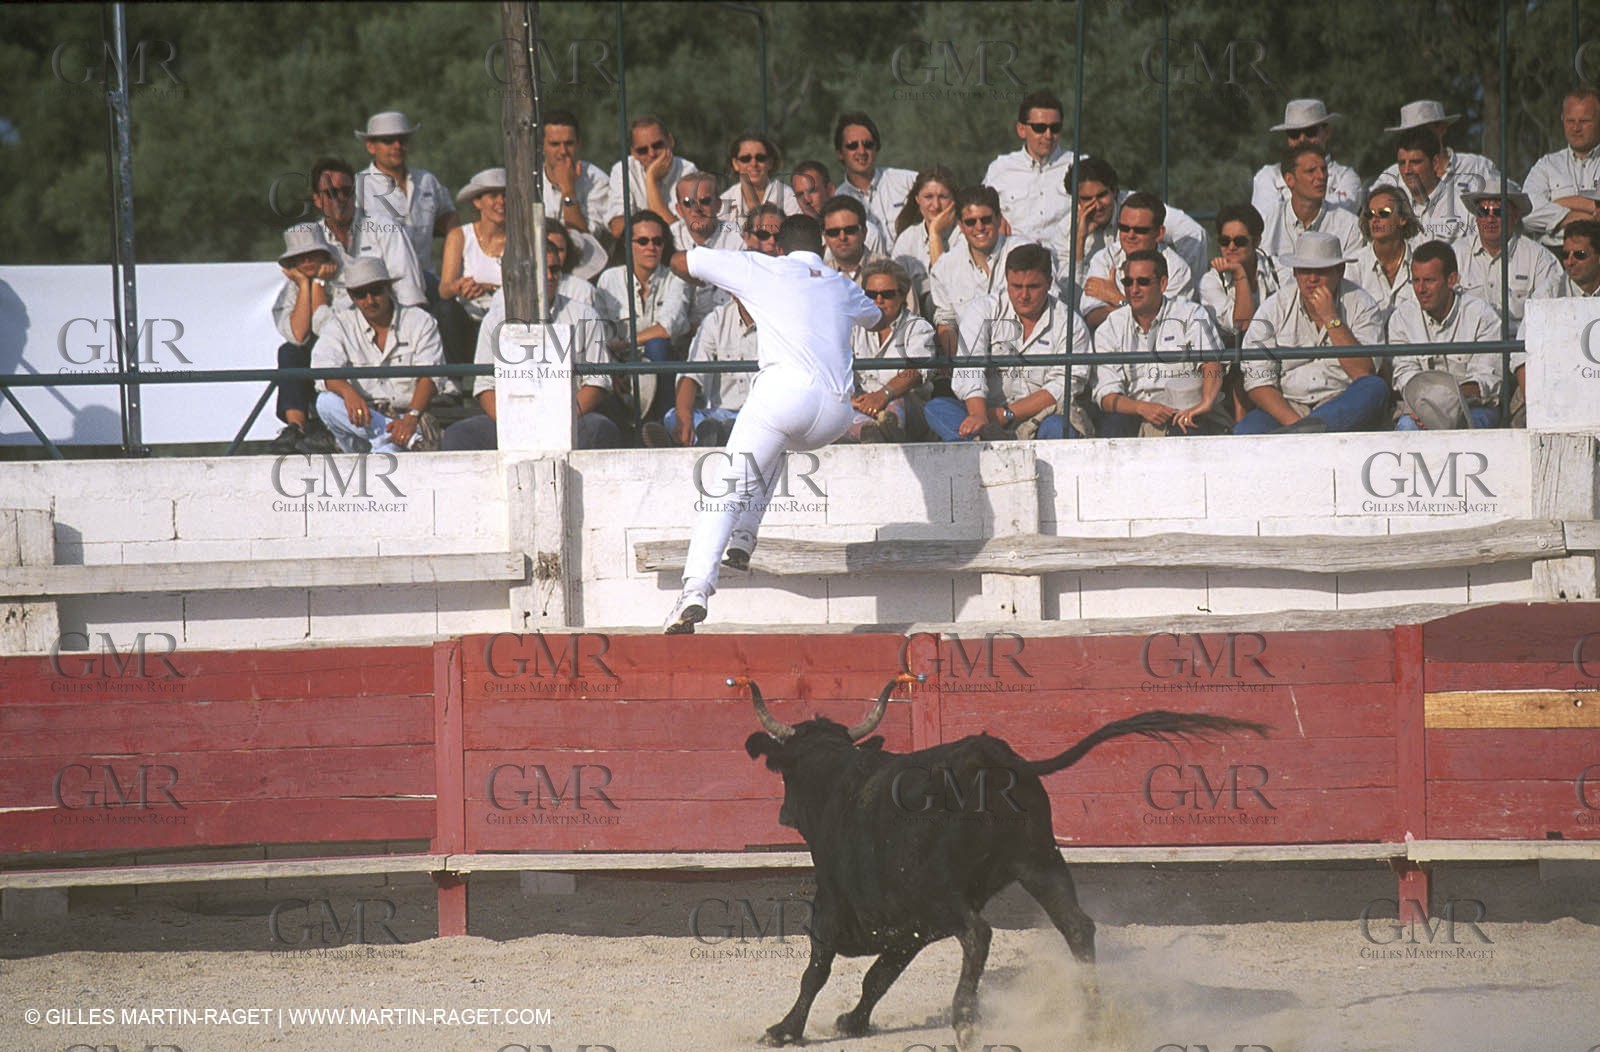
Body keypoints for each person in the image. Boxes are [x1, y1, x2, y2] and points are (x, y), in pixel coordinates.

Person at [660, 214, 885, 634]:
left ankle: (694, 591)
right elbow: (876, 318)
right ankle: (745, 537)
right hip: (835, 414)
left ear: (778, 246)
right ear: (821, 246)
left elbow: (681, 261)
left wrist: (710, 272)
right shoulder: (840, 283)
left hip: (784, 396)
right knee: (778, 443)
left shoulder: (760, 266)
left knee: (724, 492)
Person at [440, 234, 621, 452]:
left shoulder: (585, 315)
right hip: (511, 421)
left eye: (554, 269)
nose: (550, 276)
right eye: (542, 270)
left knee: (600, 428)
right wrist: (513, 423)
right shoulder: (495, 319)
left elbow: (597, 383)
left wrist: (559, 419)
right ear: (524, 272)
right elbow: (486, 386)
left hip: (570, 419)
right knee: (459, 435)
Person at [925, 244, 1090, 442]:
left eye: (1033, 287)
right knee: (937, 408)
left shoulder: (1070, 324)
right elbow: (969, 369)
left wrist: (1004, 414)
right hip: (985, 413)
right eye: (1016, 286)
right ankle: (982, 440)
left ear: (1049, 283)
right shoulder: (983, 310)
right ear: (1006, 281)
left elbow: (1063, 387)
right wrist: (978, 415)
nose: (1024, 296)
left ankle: (979, 445)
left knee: (1058, 427)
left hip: (1040, 417)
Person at [1235, 231, 1388, 434]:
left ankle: (1306, 433)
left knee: (1374, 388)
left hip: (1341, 401)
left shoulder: (1362, 304)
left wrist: (1331, 318)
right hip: (1289, 404)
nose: (1312, 279)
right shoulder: (1273, 308)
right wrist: (1299, 426)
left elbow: (1363, 372)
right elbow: (1258, 381)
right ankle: (1311, 432)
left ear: (1340, 271)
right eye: (1305, 271)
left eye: (1321, 271)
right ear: (1295, 273)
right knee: (1246, 431)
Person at [312, 258, 443, 453]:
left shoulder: (420, 321)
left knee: (385, 455)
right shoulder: (339, 324)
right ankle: (388, 435)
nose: (370, 300)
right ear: (351, 296)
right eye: (360, 294)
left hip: (408, 418)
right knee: (325, 402)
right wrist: (348, 392)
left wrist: (411, 417)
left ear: (388, 288)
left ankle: (386, 439)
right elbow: (324, 370)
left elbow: (431, 376)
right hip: (360, 420)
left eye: (375, 291)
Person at [1093, 251, 1229, 437]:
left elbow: (1211, 364)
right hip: (1134, 412)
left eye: (1143, 282)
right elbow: (1106, 396)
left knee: (1187, 428)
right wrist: (1141, 408)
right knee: (1113, 426)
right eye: (1128, 282)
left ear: (1163, 284)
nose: (1134, 289)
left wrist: (1205, 403)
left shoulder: (1190, 313)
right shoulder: (1110, 326)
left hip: (1185, 411)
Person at [1387, 241, 1503, 430]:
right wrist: (1426, 409)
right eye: (1415, 281)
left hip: (1472, 407)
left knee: (1474, 426)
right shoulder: (1401, 318)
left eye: (1429, 280)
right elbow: (1404, 374)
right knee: (1407, 427)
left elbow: (1486, 378)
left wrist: (1444, 403)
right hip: (1420, 407)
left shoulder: (1481, 315)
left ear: (1451, 280)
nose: (1421, 289)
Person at [1051, 159, 1211, 292]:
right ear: (1076, 200)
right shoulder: (1065, 229)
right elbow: (1068, 293)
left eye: (1102, 195)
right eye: (1087, 199)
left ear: (1114, 191)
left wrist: (1187, 284)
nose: (1097, 206)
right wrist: (1079, 241)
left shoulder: (1136, 207)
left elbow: (1193, 233)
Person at [594, 210, 690, 421]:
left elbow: (666, 329)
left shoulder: (675, 278)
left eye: (657, 241)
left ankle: (663, 423)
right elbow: (600, 335)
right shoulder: (609, 280)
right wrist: (612, 369)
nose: (651, 247)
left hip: (664, 367)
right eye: (643, 241)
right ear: (628, 244)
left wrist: (626, 343)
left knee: (657, 345)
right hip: (621, 368)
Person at [353, 111, 457, 298]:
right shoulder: (358, 187)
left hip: (429, 282)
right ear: (370, 146)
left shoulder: (427, 180)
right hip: (383, 288)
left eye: (403, 140)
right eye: (388, 141)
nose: (397, 146)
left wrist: (452, 265)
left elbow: (450, 219)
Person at [310, 157, 426, 310]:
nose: (340, 198)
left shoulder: (385, 228)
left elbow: (409, 291)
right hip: (334, 321)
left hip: (387, 317)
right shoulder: (311, 240)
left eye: (346, 191)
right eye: (331, 193)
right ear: (317, 200)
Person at [642, 296, 757, 449]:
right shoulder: (716, 319)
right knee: (673, 417)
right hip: (719, 415)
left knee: (745, 427)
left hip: (762, 416)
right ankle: (707, 436)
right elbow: (692, 374)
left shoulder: (778, 320)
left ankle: (701, 438)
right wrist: (684, 416)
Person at [929, 186, 1031, 357]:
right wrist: (959, 363)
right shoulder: (944, 267)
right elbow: (946, 322)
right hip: (971, 359)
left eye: (986, 220)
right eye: (970, 222)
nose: (979, 227)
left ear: (999, 219)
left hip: (1022, 356)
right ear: (960, 225)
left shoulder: (1025, 252)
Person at [267, 224, 340, 454]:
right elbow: (299, 336)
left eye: (312, 254)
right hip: (313, 367)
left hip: (345, 358)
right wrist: (304, 285)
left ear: (324, 255)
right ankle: (295, 427)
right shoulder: (290, 291)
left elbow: (328, 332)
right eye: (300, 257)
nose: (306, 260)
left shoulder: (343, 281)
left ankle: (330, 426)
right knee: (289, 351)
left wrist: (318, 284)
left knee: (324, 349)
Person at [845, 259, 935, 442]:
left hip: (909, 410)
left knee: (899, 402)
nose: (878, 300)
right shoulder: (852, 328)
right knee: (839, 413)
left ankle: (887, 428)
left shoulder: (918, 327)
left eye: (887, 294)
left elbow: (917, 371)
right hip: (863, 406)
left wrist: (883, 395)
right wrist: (853, 400)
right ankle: (871, 433)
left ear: (902, 296)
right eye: (871, 294)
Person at [1078, 191, 1194, 328]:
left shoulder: (1178, 270)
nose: (1130, 235)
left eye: (1140, 230)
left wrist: (1117, 298)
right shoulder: (1104, 258)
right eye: (1124, 228)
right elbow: (1092, 317)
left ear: (1159, 233)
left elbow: (1165, 324)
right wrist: (1140, 310)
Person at [1452, 184, 1560, 332]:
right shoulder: (1456, 254)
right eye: (1483, 212)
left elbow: (1550, 314)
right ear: (1476, 218)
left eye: (1499, 212)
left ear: (1515, 217)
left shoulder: (1539, 258)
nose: (1490, 219)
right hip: (1469, 343)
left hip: (1519, 343)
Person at [1251, 99, 1365, 226]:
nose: (1302, 139)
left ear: (1327, 133)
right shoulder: (1268, 176)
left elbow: (1341, 219)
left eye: (1310, 132)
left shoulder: (1346, 178)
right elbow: (1267, 222)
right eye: (1294, 134)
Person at [982, 91, 1076, 242]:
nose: (1048, 135)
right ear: (1021, 130)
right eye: (1039, 127)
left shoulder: (1078, 166)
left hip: (1063, 256)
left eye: (1055, 127)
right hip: (1014, 254)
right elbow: (978, 212)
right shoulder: (1000, 168)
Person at [437, 167, 505, 372]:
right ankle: (454, 378)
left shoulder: (520, 237)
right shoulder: (460, 235)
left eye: (505, 195)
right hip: (469, 319)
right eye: (493, 196)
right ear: (477, 202)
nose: (501, 202)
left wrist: (489, 288)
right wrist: (461, 286)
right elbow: (444, 289)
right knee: (445, 309)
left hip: (506, 316)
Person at [1199, 203, 1283, 348]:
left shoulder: (1279, 270)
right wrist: (1239, 273)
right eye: (1225, 241)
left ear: (1256, 242)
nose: (1231, 247)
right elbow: (1242, 326)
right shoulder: (1210, 282)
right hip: (1232, 355)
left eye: (1240, 241)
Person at [1370, 100, 1501, 193]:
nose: (1417, 137)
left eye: (1423, 130)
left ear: (1442, 128)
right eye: (1410, 132)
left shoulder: (1477, 167)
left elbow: (1507, 203)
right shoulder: (1391, 178)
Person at [1523, 87, 1600, 243]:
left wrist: (1558, 204)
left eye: (1584, 121)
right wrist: (1587, 212)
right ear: (1562, 119)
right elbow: (1527, 212)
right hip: (1553, 254)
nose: (1576, 128)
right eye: (1570, 121)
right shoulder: (1546, 166)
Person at [1260, 145, 1363, 260]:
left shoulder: (1349, 227)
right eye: (1311, 171)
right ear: (1290, 180)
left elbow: (1353, 270)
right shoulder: (1268, 226)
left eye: (1323, 169)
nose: (1321, 176)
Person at [607, 115, 698, 239]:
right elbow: (618, 229)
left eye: (658, 145)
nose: (652, 154)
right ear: (634, 153)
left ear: (670, 141)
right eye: (643, 150)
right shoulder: (623, 170)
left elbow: (682, 236)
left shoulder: (688, 171)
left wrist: (650, 181)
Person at [1348, 185, 1422, 336]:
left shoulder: (1422, 261)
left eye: (1383, 213)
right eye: (1370, 214)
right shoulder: (1353, 265)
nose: (1375, 219)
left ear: (1402, 218)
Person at [890, 166, 961, 313]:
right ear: (917, 199)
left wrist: (935, 234)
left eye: (943, 197)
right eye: (928, 197)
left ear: (954, 200)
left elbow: (944, 288)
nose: (936, 205)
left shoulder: (963, 234)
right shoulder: (907, 238)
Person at [833, 112, 917, 236]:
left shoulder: (907, 182)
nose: (861, 151)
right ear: (840, 153)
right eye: (852, 146)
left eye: (868, 145)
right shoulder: (837, 201)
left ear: (876, 148)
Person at [1392, 127, 1482, 242]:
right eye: (1402, 163)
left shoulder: (1465, 206)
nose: (1407, 170)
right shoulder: (1393, 209)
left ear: (1435, 162)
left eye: (1415, 162)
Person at [791, 160, 890, 253]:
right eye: (800, 195)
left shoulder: (866, 234)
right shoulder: (794, 240)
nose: (807, 200)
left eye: (812, 191)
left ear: (830, 190)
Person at [720, 131, 802, 228]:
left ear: (770, 162)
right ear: (735, 164)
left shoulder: (787, 196)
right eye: (745, 159)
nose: (753, 164)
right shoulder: (724, 201)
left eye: (760, 158)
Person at [820, 195, 885, 285]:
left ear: (864, 232)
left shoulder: (889, 272)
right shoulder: (819, 278)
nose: (842, 237)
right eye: (834, 232)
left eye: (850, 230)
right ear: (825, 237)